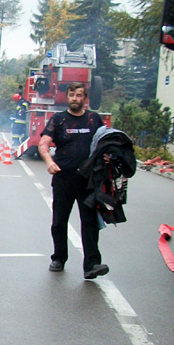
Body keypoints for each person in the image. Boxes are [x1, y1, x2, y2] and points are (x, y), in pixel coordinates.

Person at [38, 82, 109, 279]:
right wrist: (49, 161)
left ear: (85, 98)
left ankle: (91, 265)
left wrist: (107, 156)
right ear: (67, 97)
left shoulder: (94, 119)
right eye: (72, 95)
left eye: (79, 95)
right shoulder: (59, 120)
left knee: (90, 222)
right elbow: (44, 143)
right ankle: (59, 258)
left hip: (88, 179)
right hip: (64, 177)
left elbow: (104, 142)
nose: (75, 99)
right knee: (59, 221)